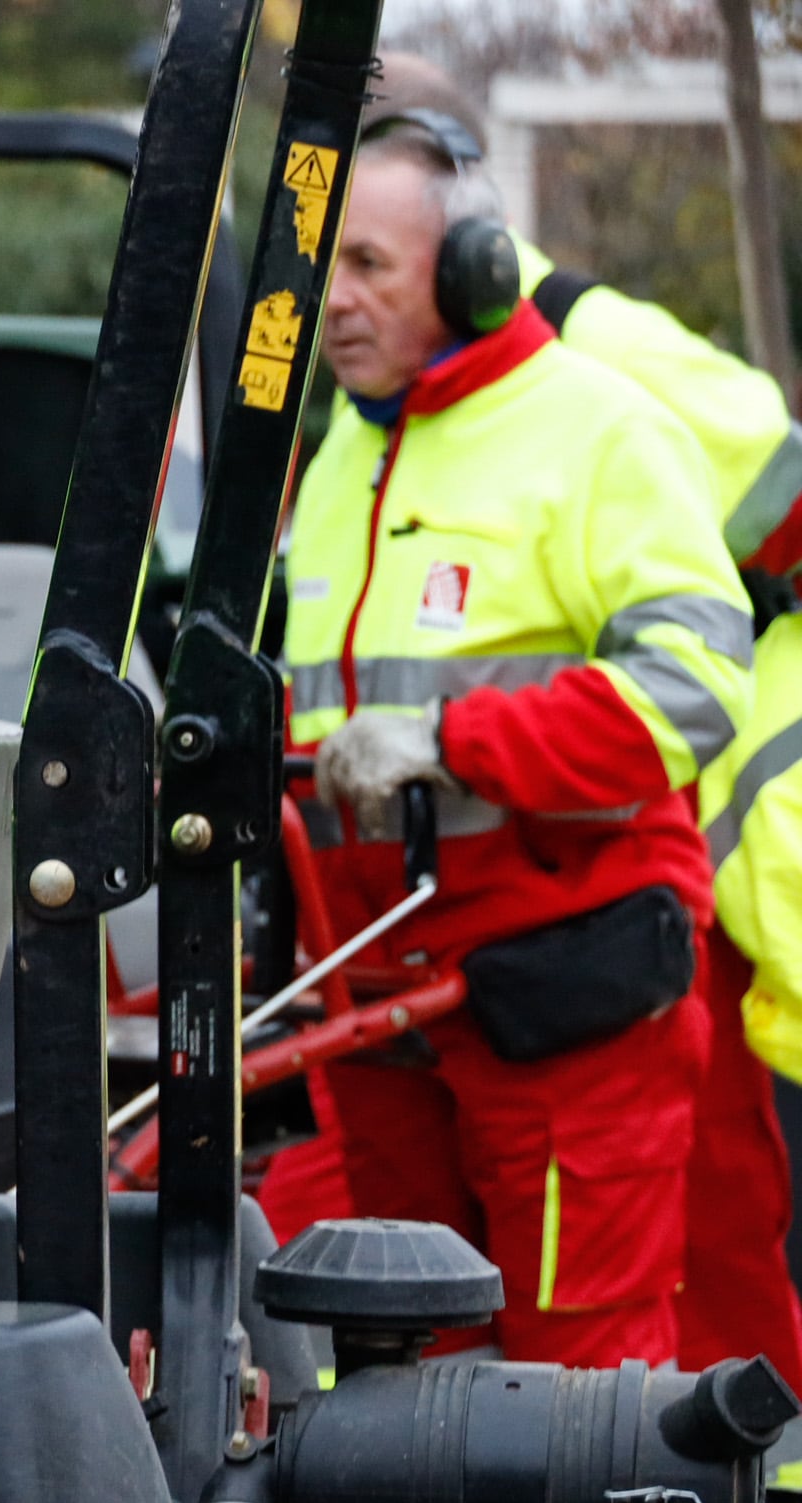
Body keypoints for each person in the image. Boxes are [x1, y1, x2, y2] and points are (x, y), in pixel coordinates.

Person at [288, 113, 755, 1369]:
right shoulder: (344, 450)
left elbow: (696, 686)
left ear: (475, 270)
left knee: (577, 1376)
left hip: (561, 996)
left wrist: (454, 740)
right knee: (403, 1356)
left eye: (369, 267)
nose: (331, 301)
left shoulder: (603, 432)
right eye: (320, 264)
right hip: (384, 998)